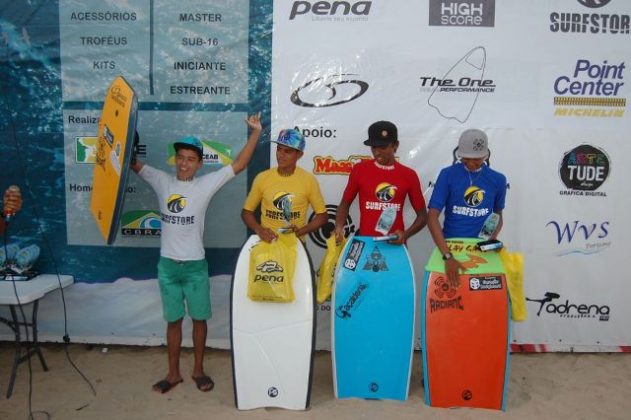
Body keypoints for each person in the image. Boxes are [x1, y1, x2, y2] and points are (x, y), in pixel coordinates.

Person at [131, 113, 262, 394]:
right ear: (174, 159)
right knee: (173, 321)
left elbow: (239, 164)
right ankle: (173, 374)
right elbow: (132, 163)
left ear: (199, 164)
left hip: (194, 267)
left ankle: (198, 370)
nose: (184, 163)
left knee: (199, 320)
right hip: (168, 267)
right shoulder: (161, 180)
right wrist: (122, 142)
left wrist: (255, 132)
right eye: (180, 157)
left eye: (191, 158)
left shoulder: (205, 184)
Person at [427, 128, 507, 288]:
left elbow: (498, 215)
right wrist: (448, 257)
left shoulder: (498, 179)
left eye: (476, 159)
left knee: (480, 304)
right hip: (450, 247)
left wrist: (490, 241)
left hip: (481, 250)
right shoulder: (447, 174)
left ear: (485, 155)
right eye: (465, 159)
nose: (470, 163)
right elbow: (432, 217)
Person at [334, 120, 427, 244]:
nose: (377, 152)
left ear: (396, 145)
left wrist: (405, 234)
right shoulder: (360, 170)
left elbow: (423, 216)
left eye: (383, 147)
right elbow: (344, 204)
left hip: (395, 245)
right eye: (373, 147)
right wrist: (339, 226)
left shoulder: (409, 175)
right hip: (365, 243)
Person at [241, 129, 327, 243]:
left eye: (287, 151)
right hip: (267, 244)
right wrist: (260, 230)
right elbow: (246, 212)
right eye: (279, 149)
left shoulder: (308, 180)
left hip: (296, 245)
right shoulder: (262, 177)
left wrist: (299, 232)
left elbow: (322, 216)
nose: (281, 155)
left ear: (299, 154)